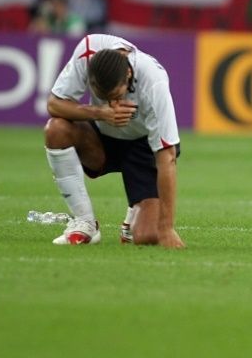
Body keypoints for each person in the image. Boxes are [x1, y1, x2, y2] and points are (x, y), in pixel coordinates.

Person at [44, 34, 184, 248]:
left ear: (128, 74)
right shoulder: (88, 52)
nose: (112, 102)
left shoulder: (153, 81)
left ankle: (135, 212)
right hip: (101, 138)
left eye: (116, 94)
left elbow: (167, 156)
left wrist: (166, 229)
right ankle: (85, 223)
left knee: (148, 236)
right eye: (104, 96)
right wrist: (100, 112)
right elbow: (54, 105)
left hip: (142, 145)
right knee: (56, 129)